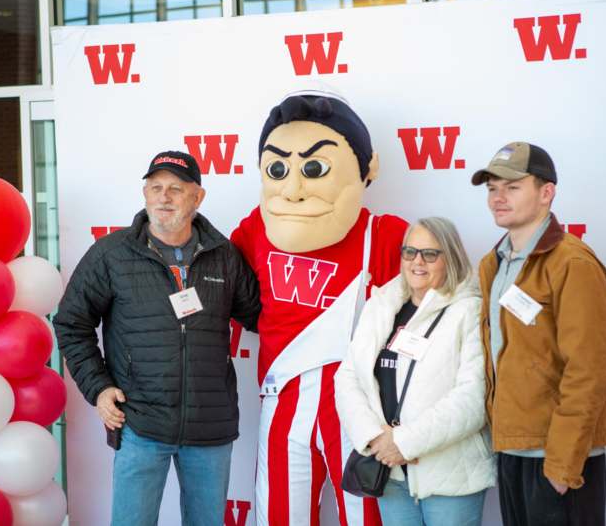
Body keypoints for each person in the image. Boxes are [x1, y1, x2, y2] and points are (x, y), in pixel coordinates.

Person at [53, 150, 261, 526]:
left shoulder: (225, 256)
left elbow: (263, 317)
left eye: (176, 189)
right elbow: (72, 323)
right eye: (155, 187)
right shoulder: (111, 255)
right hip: (140, 423)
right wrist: (99, 387)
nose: (164, 197)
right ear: (145, 193)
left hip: (209, 426)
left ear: (197, 197)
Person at [230, 90, 408, 526]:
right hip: (281, 396)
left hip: (359, 402)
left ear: (368, 170)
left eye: (314, 169)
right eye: (278, 169)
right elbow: (226, 289)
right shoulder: (255, 230)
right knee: (279, 515)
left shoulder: (386, 235)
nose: (293, 189)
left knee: (365, 513)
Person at [472, 142, 606, 526]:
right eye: (491, 189)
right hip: (512, 450)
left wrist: (563, 462)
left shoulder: (572, 263)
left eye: (513, 187)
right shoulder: (493, 264)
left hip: (557, 459)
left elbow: (589, 369)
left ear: (546, 193)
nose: (498, 198)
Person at [334, 217, 495, 526]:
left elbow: (472, 399)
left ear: (451, 258)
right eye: (410, 252)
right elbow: (348, 376)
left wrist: (405, 442)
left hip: (449, 476)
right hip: (390, 470)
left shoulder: (470, 311)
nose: (417, 261)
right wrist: (374, 438)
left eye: (430, 254)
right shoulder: (381, 305)